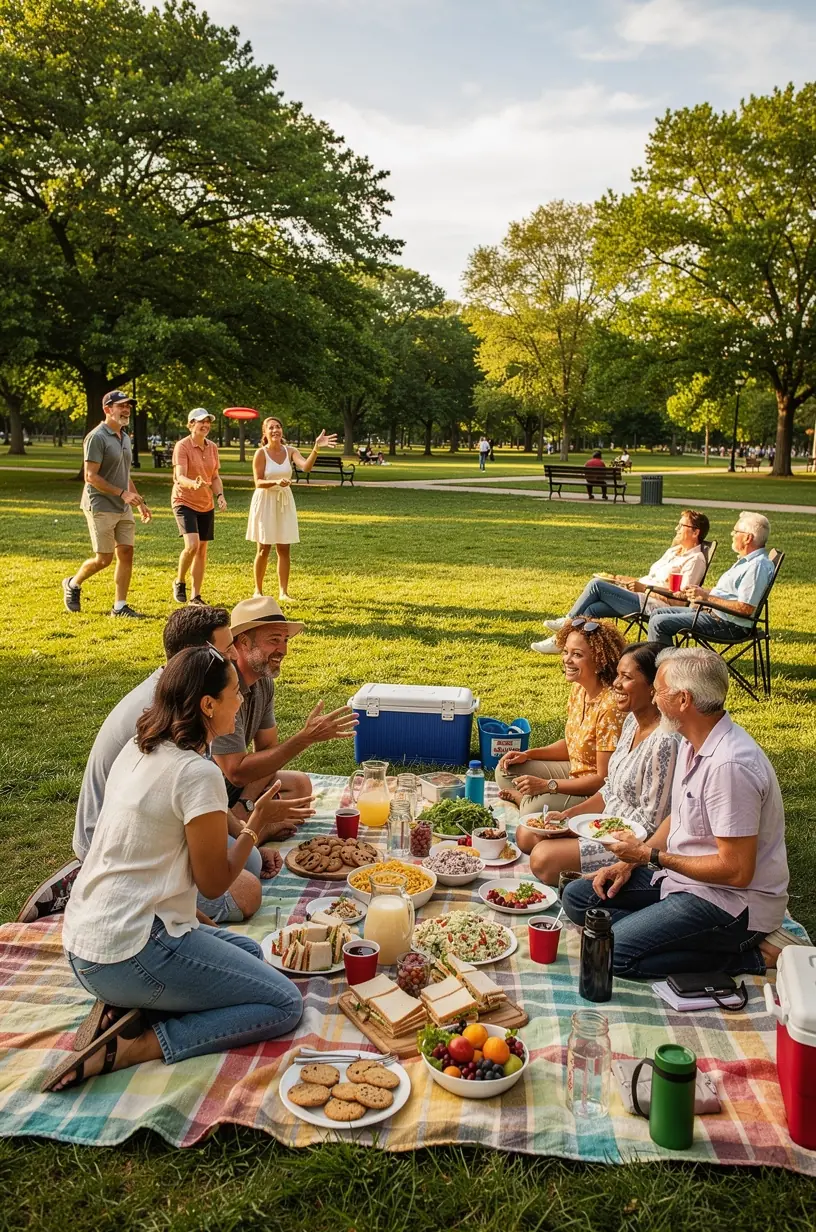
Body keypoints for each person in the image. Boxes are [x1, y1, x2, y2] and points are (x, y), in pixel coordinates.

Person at [44, 646, 304, 1093]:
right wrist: (253, 830)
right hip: (129, 950)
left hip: (86, 942)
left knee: (255, 956)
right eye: (234, 695)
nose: (241, 702)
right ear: (207, 705)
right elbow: (215, 881)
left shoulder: (140, 746)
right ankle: (137, 1046)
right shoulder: (195, 773)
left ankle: (131, 1006)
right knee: (283, 1003)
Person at [16, 605, 310, 927]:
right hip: (119, 849)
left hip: (152, 826)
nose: (232, 662)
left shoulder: (184, 701)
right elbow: (209, 791)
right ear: (195, 657)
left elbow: (193, 792)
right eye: (225, 653)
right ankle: (82, 882)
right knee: (247, 887)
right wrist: (252, 830)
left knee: (248, 860)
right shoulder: (170, 713)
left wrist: (244, 833)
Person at [561, 647, 789, 978]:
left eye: (660, 690)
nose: (653, 699)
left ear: (683, 700)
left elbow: (736, 871)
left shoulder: (730, 766)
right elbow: (679, 814)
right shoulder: (691, 740)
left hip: (729, 904)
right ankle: (664, 930)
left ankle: (752, 957)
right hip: (683, 879)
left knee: (610, 952)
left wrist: (651, 856)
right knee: (579, 898)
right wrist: (630, 862)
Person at [520, 642, 679, 885]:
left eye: (626, 677)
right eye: (617, 674)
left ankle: (597, 881)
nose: (615, 683)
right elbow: (608, 789)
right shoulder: (631, 722)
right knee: (527, 835)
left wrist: (589, 831)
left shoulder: (665, 742)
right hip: (601, 823)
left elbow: (651, 826)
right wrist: (568, 818)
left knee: (542, 858)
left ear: (653, 688)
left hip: (629, 845)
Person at [211, 596, 357, 813]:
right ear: (243, 642)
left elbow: (269, 749)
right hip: (208, 792)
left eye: (285, 640)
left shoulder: (264, 682)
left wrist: (248, 802)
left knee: (300, 786)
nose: (283, 650)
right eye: (274, 640)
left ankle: (250, 823)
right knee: (283, 807)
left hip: (236, 792)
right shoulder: (222, 686)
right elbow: (236, 772)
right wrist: (305, 738)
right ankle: (256, 829)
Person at [531, 510, 710, 654]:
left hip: (652, 605)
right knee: (593, 610)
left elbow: (679, 600)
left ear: (695, 532)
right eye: (678, 525)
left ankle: (564, 628)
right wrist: (622, 580)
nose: (676, 529)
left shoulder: (695, 560)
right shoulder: (673, 551)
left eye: (682, 526)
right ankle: (572, 646)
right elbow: (650, 577)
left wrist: (645, 588)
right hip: (637, 595)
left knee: (596, 585)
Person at [495, 618, 626, 814]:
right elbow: (572, 744)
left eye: (577, 655)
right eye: (566, 652)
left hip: (594, 791)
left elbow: (602, 780)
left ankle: (527, 801)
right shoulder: (579, 689)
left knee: (535, 809)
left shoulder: (610, 708)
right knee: (505, 770)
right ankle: (529, 799)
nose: (567, 659)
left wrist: (548, 785)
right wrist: (528, 754)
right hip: (573, 770)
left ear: (599, 662)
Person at [62, 390, 152, 618]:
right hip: (100, 504)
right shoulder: (97, 437)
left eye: (128, 407)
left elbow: (125, 473)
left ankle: (120, 606)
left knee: (126, 552)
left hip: (122, 506)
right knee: (104, 558)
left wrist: (138, 500)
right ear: (107, 409)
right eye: (121, 406)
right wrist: (122, 493)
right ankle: (73, 583)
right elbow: (90, 476)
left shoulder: (125, 437)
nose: (126, 410)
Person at [648, 512, 775, 648]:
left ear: (747, 538)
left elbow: (745, 608)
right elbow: (729, 594)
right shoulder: (747, 561)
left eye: (736, 531)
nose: (732, 534)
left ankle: (667, 666)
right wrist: (702, 592)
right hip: (714, 614)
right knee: (657, 613)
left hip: (728, 625)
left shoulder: (757, 566)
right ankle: (665, 662)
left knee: (659, 622)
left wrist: (707, 597)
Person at [247, 417, 337, 602]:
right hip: (266, 500)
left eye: (278, 427)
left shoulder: (290, 451)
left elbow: (306, 467)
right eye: (270, 428)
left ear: (282, 431)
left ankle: (283, 592)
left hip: (284, 502)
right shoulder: (260, 453)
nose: (275, 430)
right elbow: (258, 482)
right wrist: (276, 482)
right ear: (265, 432)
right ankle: (258, 590)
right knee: (263, 548)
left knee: (284, 548)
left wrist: (316, 447)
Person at [171, 409, 226, 606]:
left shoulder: (212, 447)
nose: (205, 425)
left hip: (205, 503)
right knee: (192, 545)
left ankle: (195, 596)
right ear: (191, 424)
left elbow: (215, 477)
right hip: (184, 500)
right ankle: (179, 581)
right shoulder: (182, 446)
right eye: (201, 422)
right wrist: (192, 483)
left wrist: (219, 495)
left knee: (202, 550)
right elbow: (180, 476)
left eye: (208, 422)